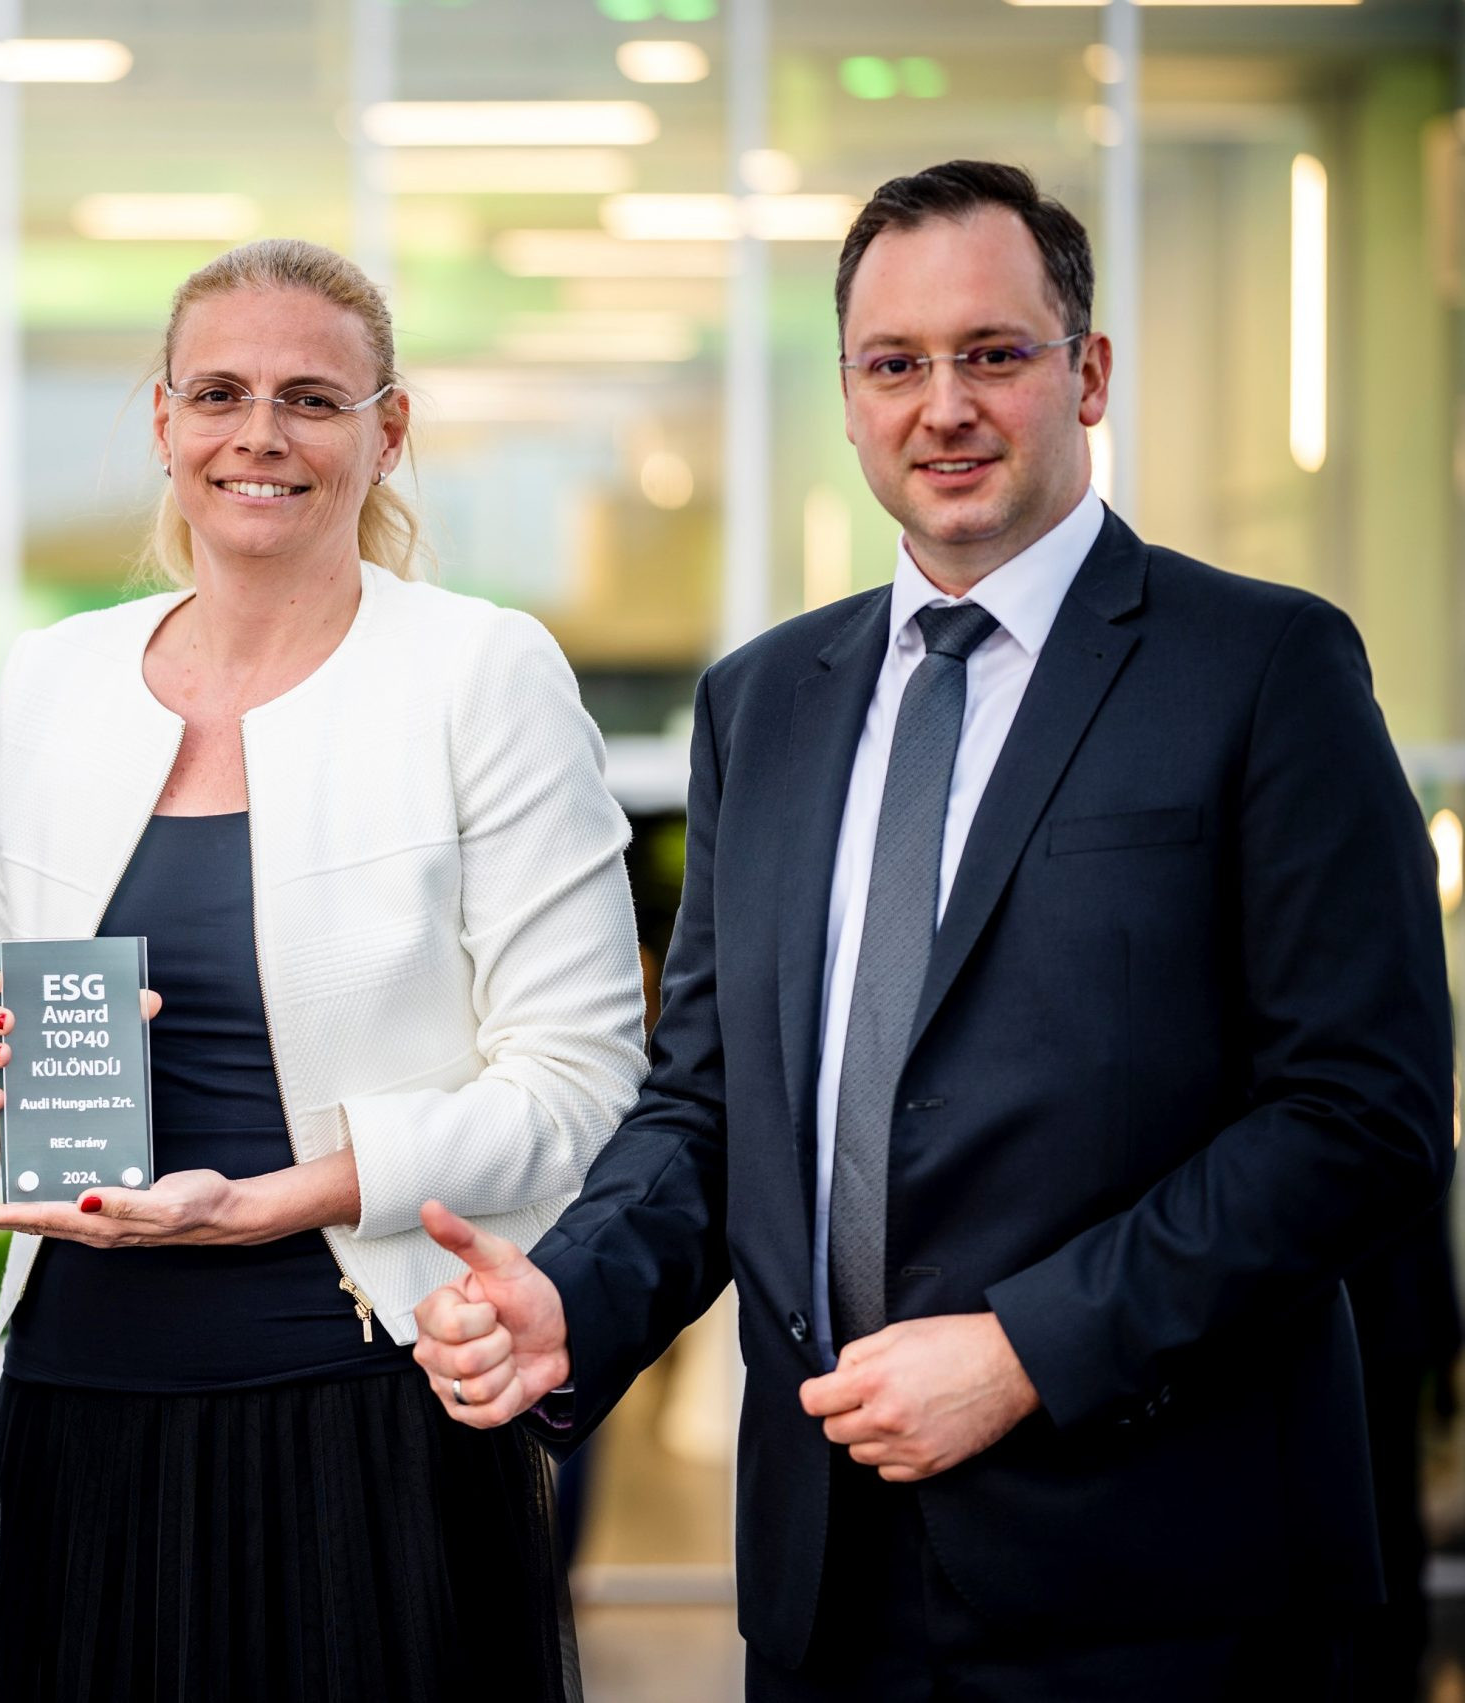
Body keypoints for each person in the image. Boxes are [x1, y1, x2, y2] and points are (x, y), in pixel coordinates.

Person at [411, 160, 1454, 1701]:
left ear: (1088, 374)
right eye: (895, 364)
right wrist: (575, 1294)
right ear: (848, 399)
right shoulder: (764, 704)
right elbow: (711, 1106)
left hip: (1163, 1587)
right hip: (827, 1583)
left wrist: (1030, 1350)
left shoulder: (1262, 669)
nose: (943, 406)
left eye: (993, 353)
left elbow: (1360, 1117)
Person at [0, 237, 648, 1701]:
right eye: (219, 394)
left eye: (312, 399)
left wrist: (277, 1198)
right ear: (163, 422)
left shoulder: (479, 674)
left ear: (389, 432)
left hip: (362, 1395)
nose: (259, 435)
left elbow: (579, 1084)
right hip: (81, 1393)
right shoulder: (55, 680)